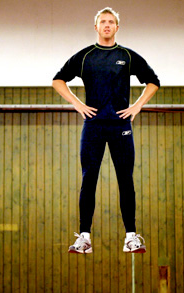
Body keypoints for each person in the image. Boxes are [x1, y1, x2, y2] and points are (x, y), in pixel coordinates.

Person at [52, 7, 160, 254]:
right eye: (103, 22)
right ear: (96, 27)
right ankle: (84, 238)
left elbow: (153, 81)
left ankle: (131, 237)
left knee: (126, 180)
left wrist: (137, 106)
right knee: (88, 179)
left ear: (117, 27)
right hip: (93, 126)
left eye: (111, 22)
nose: (107, 25)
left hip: (121, 125)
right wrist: (78, 104)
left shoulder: (127, 56)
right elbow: (58, 80)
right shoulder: (86, 56)